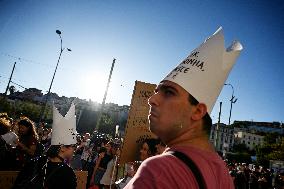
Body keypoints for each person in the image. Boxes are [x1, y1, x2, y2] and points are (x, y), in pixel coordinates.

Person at [124, 27, 243, 188]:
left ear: (198, 111)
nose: (152, 99)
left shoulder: (156, 172)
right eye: (156, 92)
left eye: (169, 92)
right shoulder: (223, 175)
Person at [13, 103, 78, 189]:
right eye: (74, 146)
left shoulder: (34, 161)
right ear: (62, 148)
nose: (75, 149)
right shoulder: (68, 174)